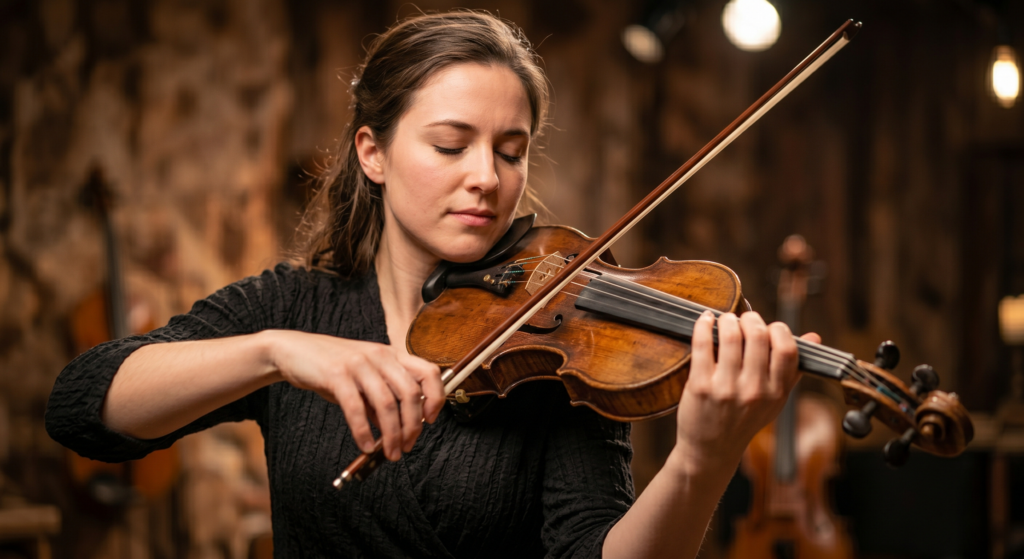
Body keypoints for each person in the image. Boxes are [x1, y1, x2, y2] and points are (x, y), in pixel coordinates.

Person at [46, 10, 818, 558]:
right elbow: (84, 404)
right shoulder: (293, 305)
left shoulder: (557, 345)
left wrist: (701, 462)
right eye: (451, 145)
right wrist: (275, 351)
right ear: (373, 153)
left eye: (510, 151)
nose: (486, 177)